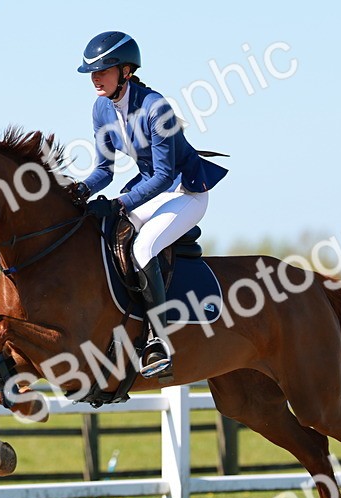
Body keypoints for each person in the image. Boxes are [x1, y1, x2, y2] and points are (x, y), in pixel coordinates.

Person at [70, 31, 227, 379]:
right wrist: (79, 190)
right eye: (92, 72)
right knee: (104, 237)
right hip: (149, 189)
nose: (96, 78)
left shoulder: (157, 108)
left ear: (126, 70)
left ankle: (158, 340)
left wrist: (119, 204)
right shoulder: (101, 108)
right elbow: (103, 171)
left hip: (184, 193)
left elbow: (164, 174)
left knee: (142, 249)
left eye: (104, 70)